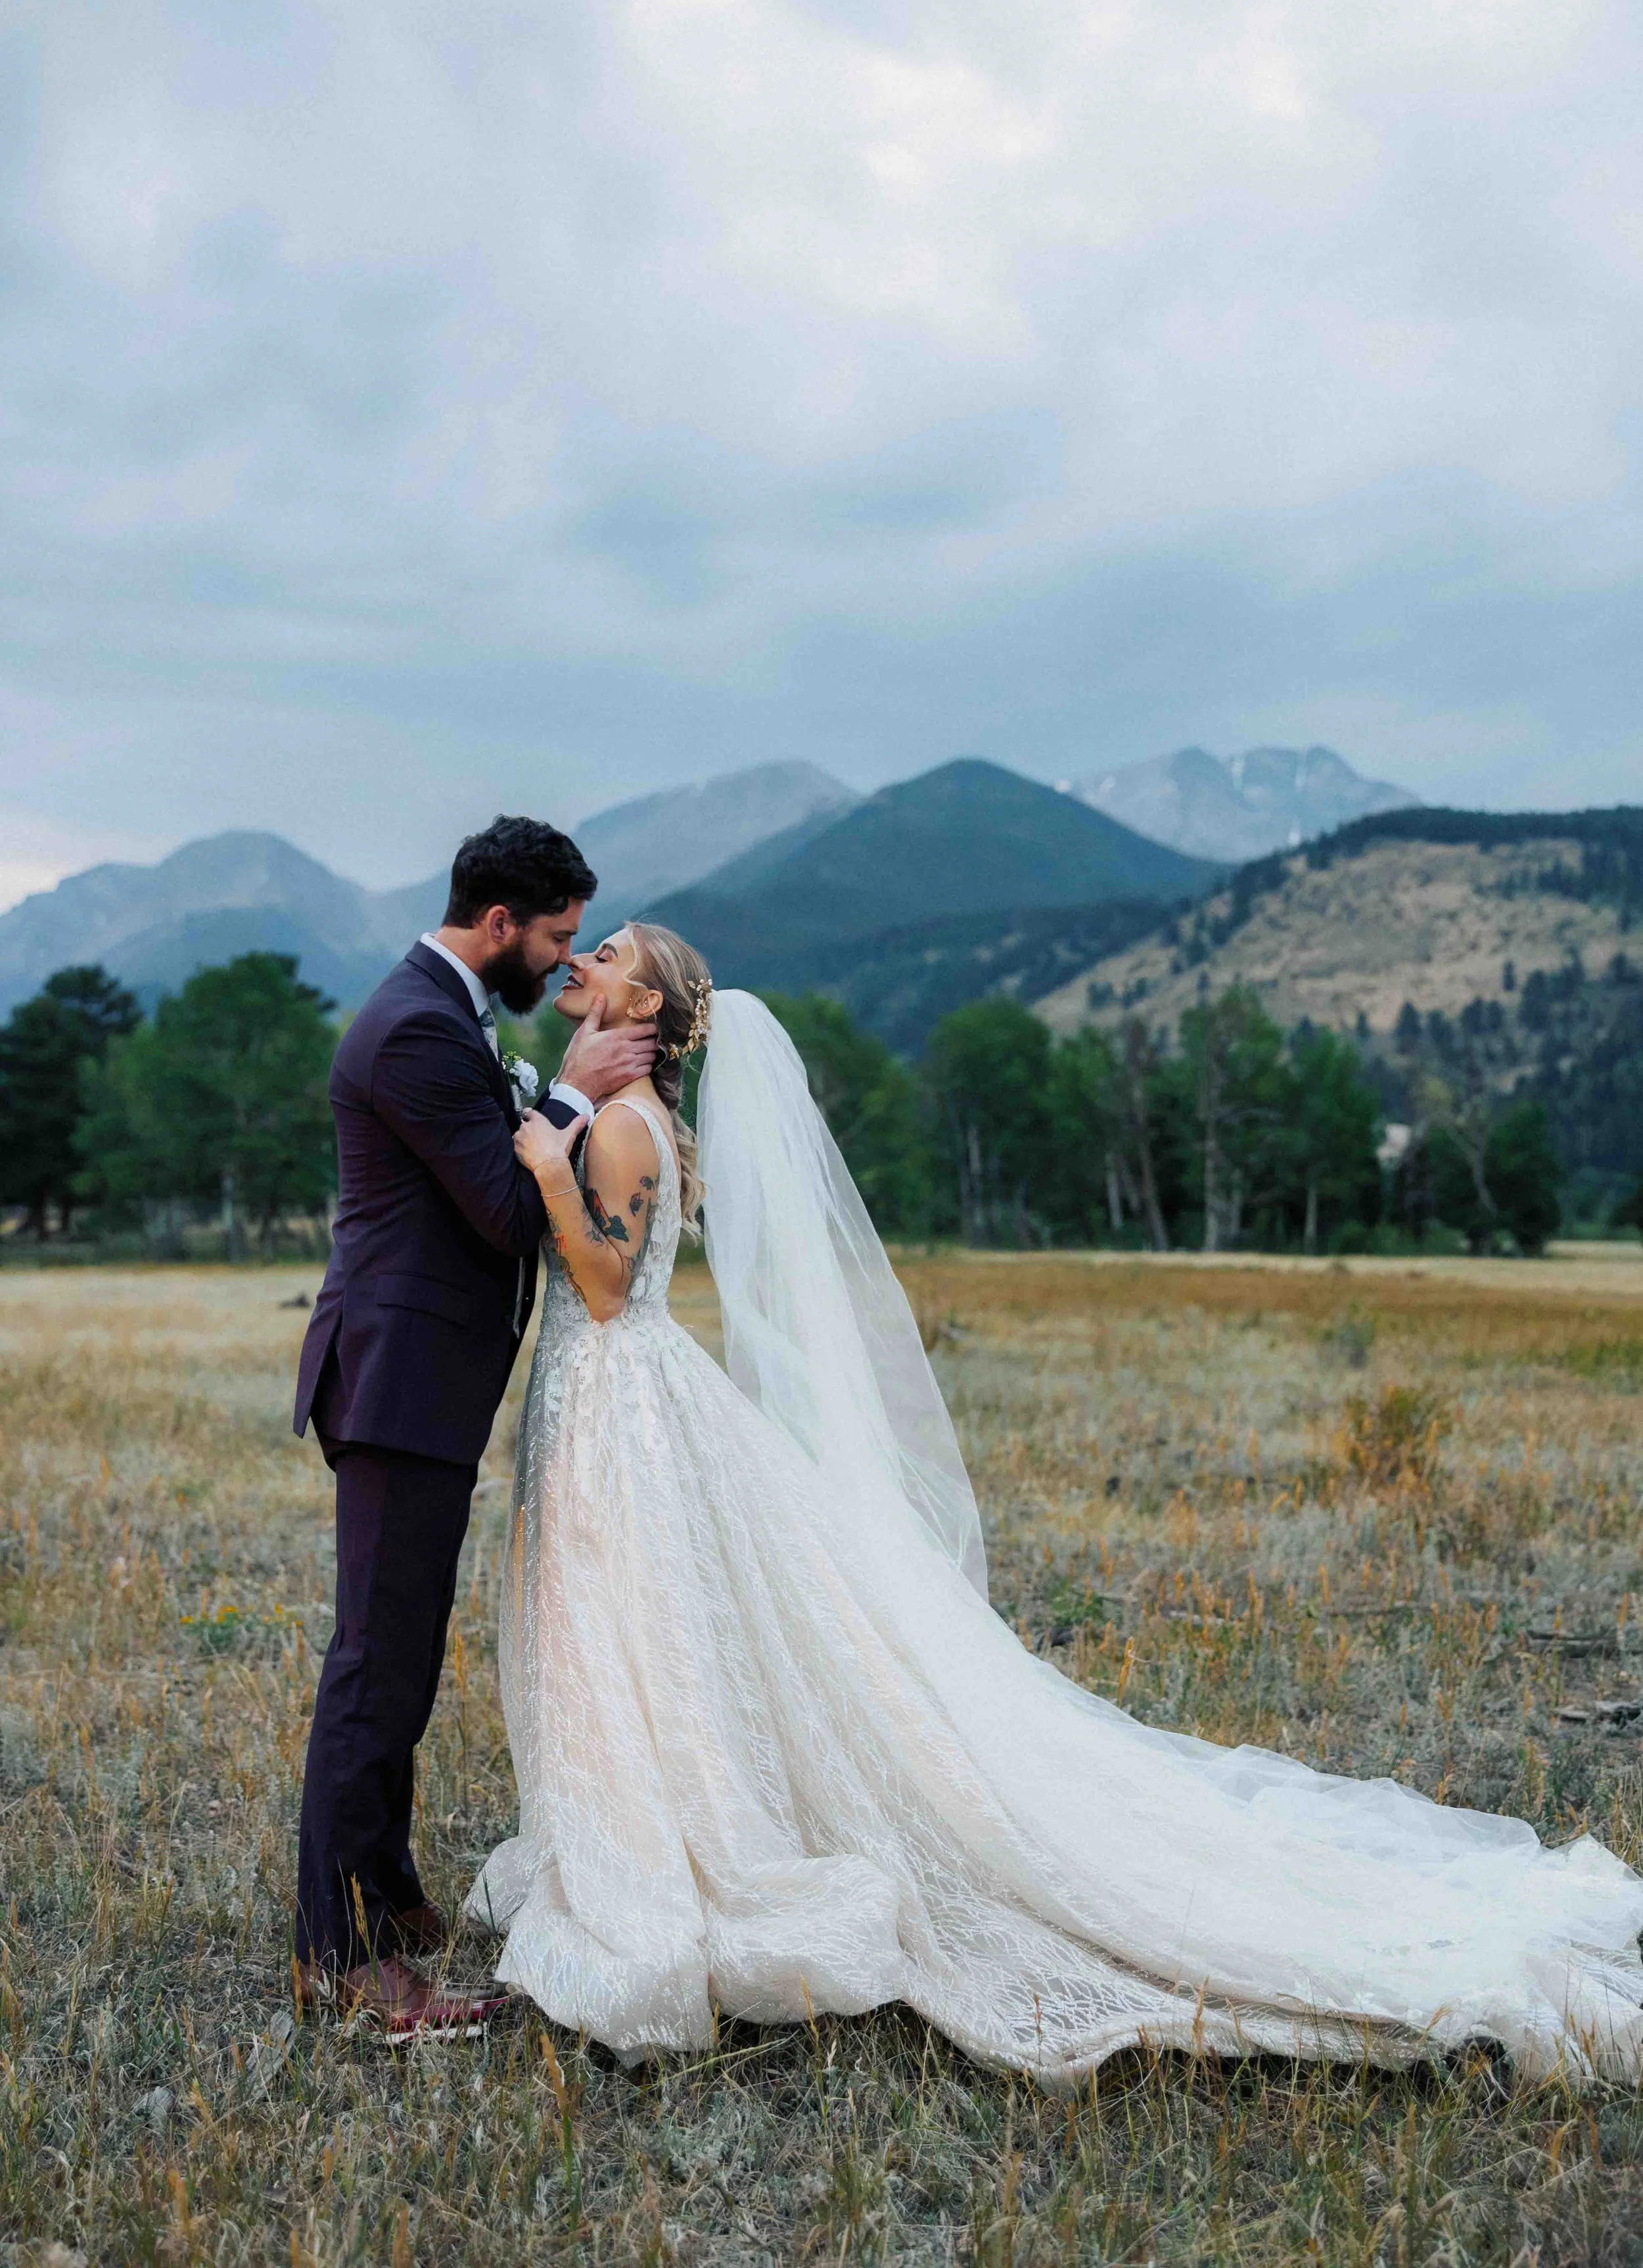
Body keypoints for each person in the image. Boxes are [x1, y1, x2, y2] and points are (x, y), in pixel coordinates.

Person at [470, 922, 1643, 2084]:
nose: (585, 962)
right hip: (614, 1401)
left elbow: (612, 1288)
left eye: (610, 954)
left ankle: (664, 1853)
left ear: (650, 1006)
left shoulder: (618, 1125)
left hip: (621, 1397)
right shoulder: (629, 1115)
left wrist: (540, 1164)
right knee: (629, 1634)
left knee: (620, 1629)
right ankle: (642, 1822)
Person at [290, 815, 657, 2039]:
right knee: (374, 1672)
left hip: (427, 1387)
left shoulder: (447, 1014)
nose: (563, 963)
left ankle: (386, 1898)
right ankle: (343, 1959)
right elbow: (506, 1212)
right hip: (397, 1386)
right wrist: (567, 1093)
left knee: (402, 1656)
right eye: (554, 935)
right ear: (497, 922)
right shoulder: (414, 1031)